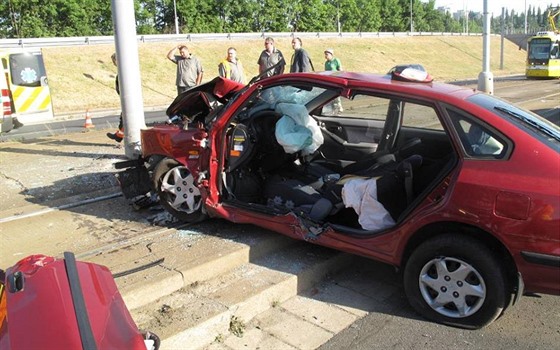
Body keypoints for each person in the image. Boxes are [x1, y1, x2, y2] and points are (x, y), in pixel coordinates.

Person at [106, 53, 124, 143]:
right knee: (124, 118)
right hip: (125, 98)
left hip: (127, 99)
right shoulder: (122, 71)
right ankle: (119, 136)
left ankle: (119, 136)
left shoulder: (123, 72)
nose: (113, 63)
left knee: (125, 118)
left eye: (114, 61)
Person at [324, 49, 343, 114]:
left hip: (336, 79)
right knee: (330, 94)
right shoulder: (326, 63)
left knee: (336, 94)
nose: (326, 56)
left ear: (331, 55)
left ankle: (339, 107)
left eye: (327, 54)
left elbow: (340, 69)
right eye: (325, 55)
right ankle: (333, 109)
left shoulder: (336, 60)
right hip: (329, 80)